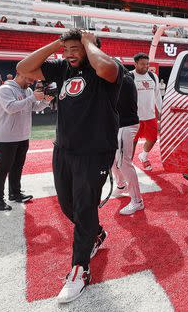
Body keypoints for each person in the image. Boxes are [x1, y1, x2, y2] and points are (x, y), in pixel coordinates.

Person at [17, 29, 123, 303]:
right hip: (63, 149)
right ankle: (96, 234)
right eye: (68, 49)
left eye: (76, 49)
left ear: (90, 48)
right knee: (69, 207)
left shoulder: (108, 67)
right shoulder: (61, 68)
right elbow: (23, 68)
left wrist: (87, 43)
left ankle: (79, 270)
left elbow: (106, 68)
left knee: (84, 207)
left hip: (95, 151)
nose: (70, 53)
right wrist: (56, 44)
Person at [0, 73, 52, 211]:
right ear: (21, 74)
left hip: (22, 135)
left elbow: (34, 107)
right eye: (30, 78)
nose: (32, 82)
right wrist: (32, 98)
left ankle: (15, 193)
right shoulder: (4, 89)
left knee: (17, 166)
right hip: (6, 136)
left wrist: (46, 101)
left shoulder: (28, 90)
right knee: (3, 167)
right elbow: (11, 108)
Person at [112, 71, 144, 215]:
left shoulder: (124, 80)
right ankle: (121, 185)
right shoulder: (125, 78)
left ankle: (137, 201)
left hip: (126, 125)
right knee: (112, 159)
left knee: (123, 162)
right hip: (118, 125)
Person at [131, 54, 162, 171]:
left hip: (150, 116)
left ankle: (143, 156)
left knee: (153, 139)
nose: (146, 66)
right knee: (132, 142)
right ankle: (128, 163)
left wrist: (161, 111)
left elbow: (158, 95)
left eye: (147, 64)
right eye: (143, 64)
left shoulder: (153, 76)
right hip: (134, 117)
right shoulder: (129, 76)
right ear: (135, 64)